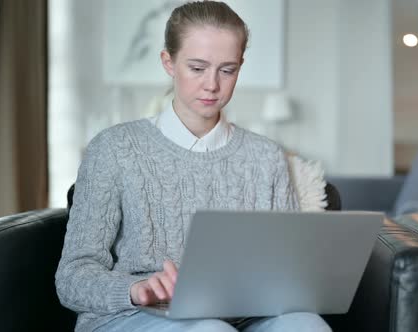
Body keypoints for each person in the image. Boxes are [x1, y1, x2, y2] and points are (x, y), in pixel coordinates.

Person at [55, 2, 332, 331]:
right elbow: (72, 276)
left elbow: (287, 271)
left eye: (226, 69)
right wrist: (133, 289)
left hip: (243, 316)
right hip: (131, 315)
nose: (212, 85)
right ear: (168, 62)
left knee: (307, 325)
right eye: (197, 68)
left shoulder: (266, 156)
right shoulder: (114, 148)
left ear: (240, 66)